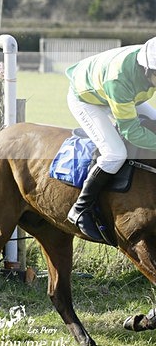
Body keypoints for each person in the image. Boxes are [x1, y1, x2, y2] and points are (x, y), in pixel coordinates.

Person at [65, 37, 156, 241]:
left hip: (124, 92)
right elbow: (131, 131)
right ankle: (80, 209)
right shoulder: (119, 80)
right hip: (88, 99)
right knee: (115, 153)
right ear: (148, 70)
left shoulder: (148, 65)